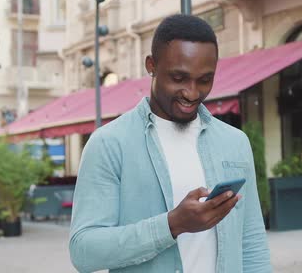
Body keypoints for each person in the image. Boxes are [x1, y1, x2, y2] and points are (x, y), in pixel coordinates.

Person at [69, 14, 271, 273]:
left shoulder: (235, 142)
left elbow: (251, 242)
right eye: (178, 78)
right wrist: (172, 224)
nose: (192, 92)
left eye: (204, 80)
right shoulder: (109, 144)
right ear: (151, 65)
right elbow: (84, 251)